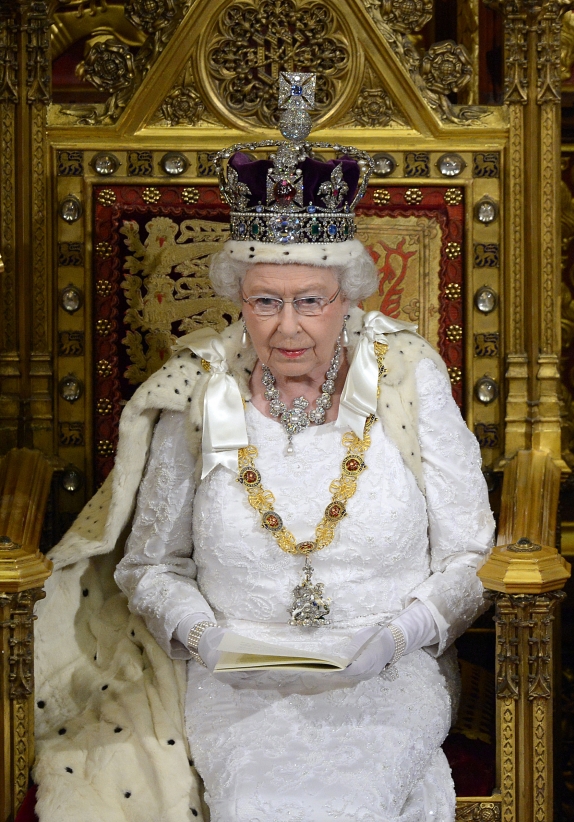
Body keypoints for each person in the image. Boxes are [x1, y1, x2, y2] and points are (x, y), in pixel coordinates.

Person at [32, 73, 494, 821]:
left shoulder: (407, 378)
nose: (287, 327)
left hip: (384, 678)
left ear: (348, 299)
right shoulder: (199, 393)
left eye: (310, 302)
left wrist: (397, 638)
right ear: (239, 303)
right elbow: (152, 566)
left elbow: (470, 554)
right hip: (237, 685)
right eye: (264, 302)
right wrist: (205, 636)